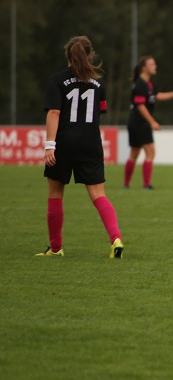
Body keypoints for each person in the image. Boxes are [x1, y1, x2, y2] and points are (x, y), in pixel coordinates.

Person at [37, 36, 124, 258]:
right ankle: (116, 239)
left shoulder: (56, 81)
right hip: (90, 144)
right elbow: (99, 112)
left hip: (64, 143)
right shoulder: (99, 83)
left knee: (55, 194)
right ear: (90, 55)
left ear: (68, 55)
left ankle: (56, 248)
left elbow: (54, 113)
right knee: (99, 195)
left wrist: (49, 145)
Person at [123, 56, 173, 189]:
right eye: (152, 64)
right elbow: (140, 106)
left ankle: (126, 185)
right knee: (150, 152)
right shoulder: (141, 85)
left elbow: (159, 96)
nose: (155, 66)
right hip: (140, 123)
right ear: (144, 67)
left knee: (134, 153)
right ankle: (146, 185)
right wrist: (152, 122)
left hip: (136, 123)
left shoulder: (148, 84)